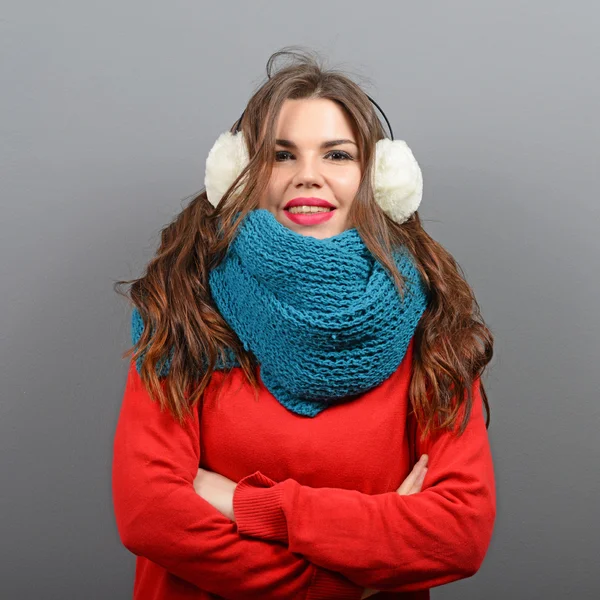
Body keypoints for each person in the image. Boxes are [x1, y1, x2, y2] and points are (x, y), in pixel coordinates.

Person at [112, 47, 496, 600]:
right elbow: (151, 513)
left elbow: (457, 535)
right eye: (282, 155)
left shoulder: (432, 320)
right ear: (242, 173)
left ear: (378, 178)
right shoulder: (182, 305)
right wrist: (351, 570)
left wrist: (246, 504)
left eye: (337, 155)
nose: (308, 177)